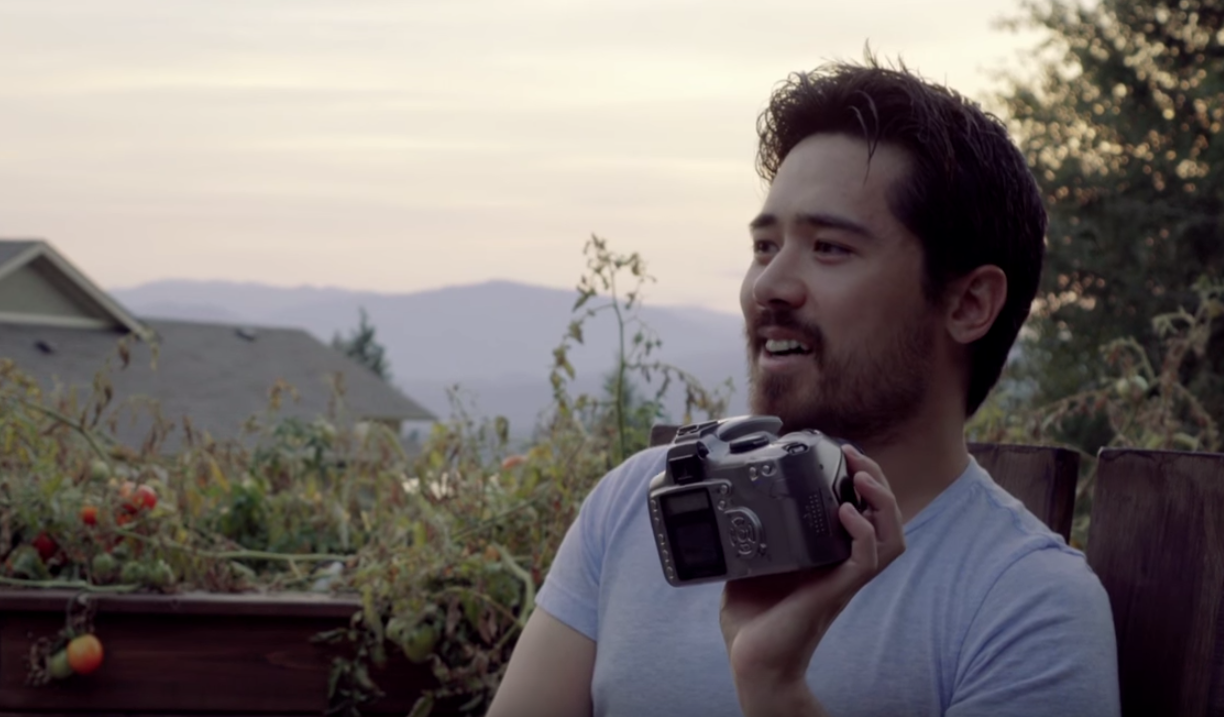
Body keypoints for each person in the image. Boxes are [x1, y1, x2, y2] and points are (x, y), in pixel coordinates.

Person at [487, 56, 1120, 717]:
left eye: (829, 248)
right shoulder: (635, 506)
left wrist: (774, 689)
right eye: (765, 246)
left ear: (969, 304)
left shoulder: (1026, 603)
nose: (768, 285)